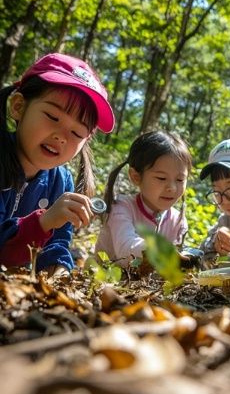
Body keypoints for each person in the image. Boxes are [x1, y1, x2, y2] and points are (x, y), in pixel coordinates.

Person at [0, 53, 115, 274]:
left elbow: (58, 242)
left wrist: (59, 267)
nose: (62, 137)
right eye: (53, 117)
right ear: (18, 106)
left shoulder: (60, 181)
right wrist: (45, 221)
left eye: (76, 132)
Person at [95, 130, 192, 268]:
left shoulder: (178, 220)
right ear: (136, 177)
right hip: (106, 280)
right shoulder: (121, 207)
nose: (172, 188)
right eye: (161, 178)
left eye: (180, 179)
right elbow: (125, 250)